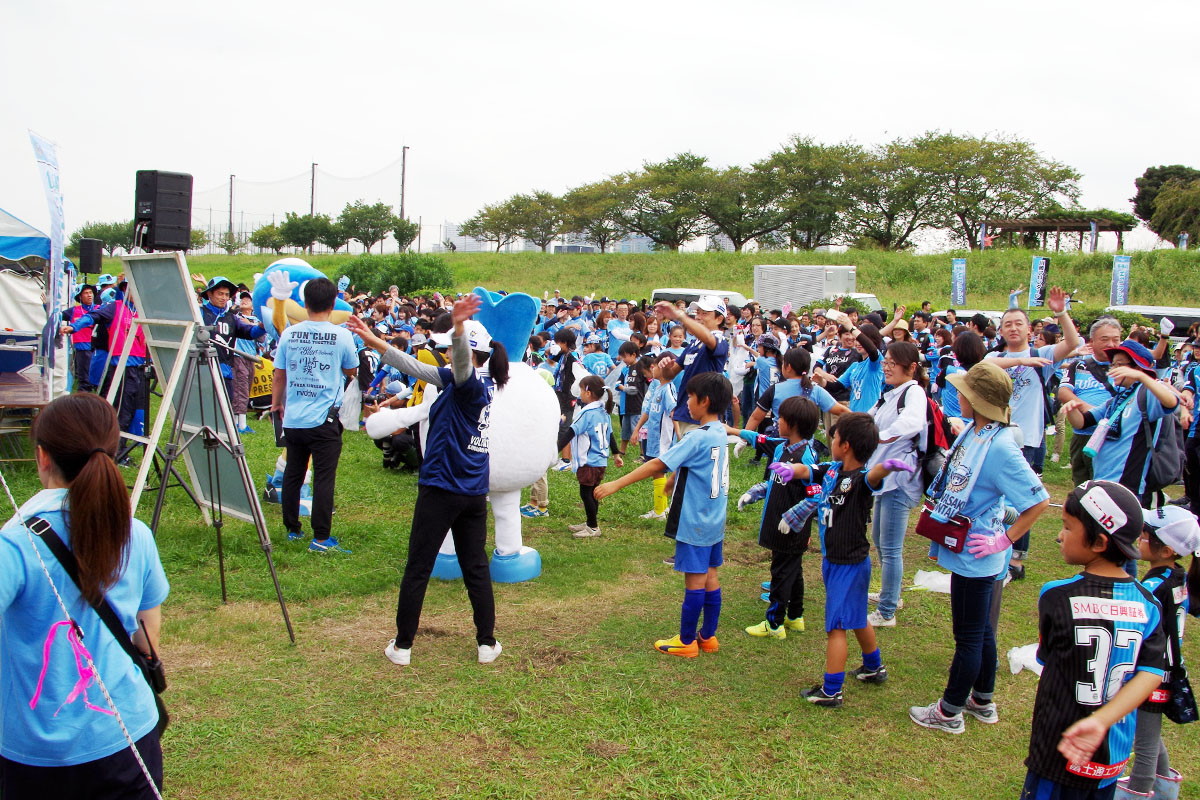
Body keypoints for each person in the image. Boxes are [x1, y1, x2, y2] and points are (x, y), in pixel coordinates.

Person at [0, 393, 168, 797]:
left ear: (42, 457)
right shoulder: (136, 532)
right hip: (128, 738)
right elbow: (147, 639)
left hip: (40, 755)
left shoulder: (14, 544)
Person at [350, 295, 508, 667]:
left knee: (419, 567)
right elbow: (410, 364)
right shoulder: (455, 381)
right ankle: (487, 643)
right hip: (471, 492)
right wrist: (372, 339)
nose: (443, 357)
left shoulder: (470, 385)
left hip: (443, 490)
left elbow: (463, 367)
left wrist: (456, 329)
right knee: (476, 568)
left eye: (451, 351)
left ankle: (403, 646)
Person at [907, 362, 1049, 734]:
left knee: (968, 636)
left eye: (964, 392)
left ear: (980, 401)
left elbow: (1038, 501)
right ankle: (982, 700)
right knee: (982, 631)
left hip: (979, 553)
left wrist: (1005, 538)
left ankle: (949, 711)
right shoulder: (977, 431)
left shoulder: (1001, 446)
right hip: (971, 546)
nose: (957, 395)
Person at [1019, 481, 1166, 798]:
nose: (1060, 536)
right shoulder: (1149, 604)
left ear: (1099, 542)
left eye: (1067, 528)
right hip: (1111, 756)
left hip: (1060, 748)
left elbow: (1047, 658)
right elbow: (1153, 672)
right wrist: (1101, 720)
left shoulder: (1056, 596)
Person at [767, 412, 911, 708]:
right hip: (834, 561)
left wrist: (887, 466)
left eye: (833, 437)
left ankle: (831, 690)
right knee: (857, 617)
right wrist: (789, 470)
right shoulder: (832, 470)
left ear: (845, 445)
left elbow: (873, 477)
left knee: (836, 627)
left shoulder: (859, 480)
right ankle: (874, 667)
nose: (829, 440)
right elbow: (809, 471)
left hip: (850, 564)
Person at [594, 372, 733, 657]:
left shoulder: (696, 437)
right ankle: (708, 637)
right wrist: (673, 480)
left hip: (695, 520)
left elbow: (657, 463)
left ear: (704, 401)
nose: (687, 404)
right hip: (715, 518)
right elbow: (691, 465)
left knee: (694, 580)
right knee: (711, 575)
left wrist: (616, 484)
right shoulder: (720, 431)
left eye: (690, 398)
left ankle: (685, 641)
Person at [270, 277, 358, 553]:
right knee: (323, 477)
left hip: (294, 418)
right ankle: (321, 538)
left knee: (293, 474)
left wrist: (276, 404)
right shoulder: (341, 335)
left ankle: (292, 529)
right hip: (324, 420)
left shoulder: (290, 333)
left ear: (305, 303)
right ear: (333, 304)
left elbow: (279, 373)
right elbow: (351, 370)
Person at [1117, 505, 1199, 799]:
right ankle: (1165, 789)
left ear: (1165, 550)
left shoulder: (1153, 586)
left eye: (1146, 534)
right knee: (1149, 731)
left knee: (1145, 740)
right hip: (1167, 667)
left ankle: (1138, 790)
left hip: (1152, 671)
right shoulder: (1177, 577)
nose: (1139, 537)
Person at [732, 396, 822, 639]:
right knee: (794, 571)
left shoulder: (806, 458)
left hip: (791, 529)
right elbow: (773, 479)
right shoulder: (782, 447)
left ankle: (774, 624)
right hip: (775, 523)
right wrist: (753, 494)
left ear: (791, 424)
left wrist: (794, 517)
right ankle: (795, 617)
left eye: (780, 418)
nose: (776, 421)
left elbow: (816, 495)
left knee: (781, 573)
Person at [1061, 339, 1179, 507]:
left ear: (1137, 367)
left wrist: (1141, 376)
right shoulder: (1117, 400)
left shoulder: (1146, 393)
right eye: (1113, 365)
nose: (1112, 370)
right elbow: (1082, 422)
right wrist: (1072, 409)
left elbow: (1172, 402)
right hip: (1105, 480)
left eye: (1119, 365)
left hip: (1129, 487)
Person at [865, 341, 928, 627]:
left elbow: (912, 423)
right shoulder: (892, 394)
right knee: (880, 540)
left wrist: (881, 437)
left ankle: (887, 611)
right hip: (885, 480)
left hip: (900, 481)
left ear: (911, 367)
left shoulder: (913, 393)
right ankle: (890, 594)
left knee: (889, 547)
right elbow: (870, 418)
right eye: (886, 361)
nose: (887, 367)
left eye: (893, 362)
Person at [1059, 318, 1125, 485]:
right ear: (1092, 341)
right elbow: (1064, 392)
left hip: (1111, 438)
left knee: (1105, 488)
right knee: (1081, 485)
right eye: (1104, 339)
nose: (1111, 344)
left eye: (1115, 339)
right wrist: (1090, 410)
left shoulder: (1126, 369)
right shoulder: (1078, 365)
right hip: (1082, 434)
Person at [656, 296, 730, 437]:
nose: (698, 317)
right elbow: (669, 375)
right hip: (687, 411)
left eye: (705, 313)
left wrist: (681, 316)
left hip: (703, 415)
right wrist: (665, 366)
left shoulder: (719, 339)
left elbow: (709, 339)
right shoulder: (693, 344)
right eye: (698, 313)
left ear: (719, 319)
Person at [561, 376, 623, 538]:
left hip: (589, 462)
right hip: (600, 461)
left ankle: (593, 527)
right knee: (592, 492)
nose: (580, 393)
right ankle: (590, 521)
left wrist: (555, 450)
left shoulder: (586, 414)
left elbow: (570, 432)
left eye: (581, 390)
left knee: (586, 494)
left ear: (588, 392)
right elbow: (610, 436)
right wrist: (616, 454)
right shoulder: (604, 412)